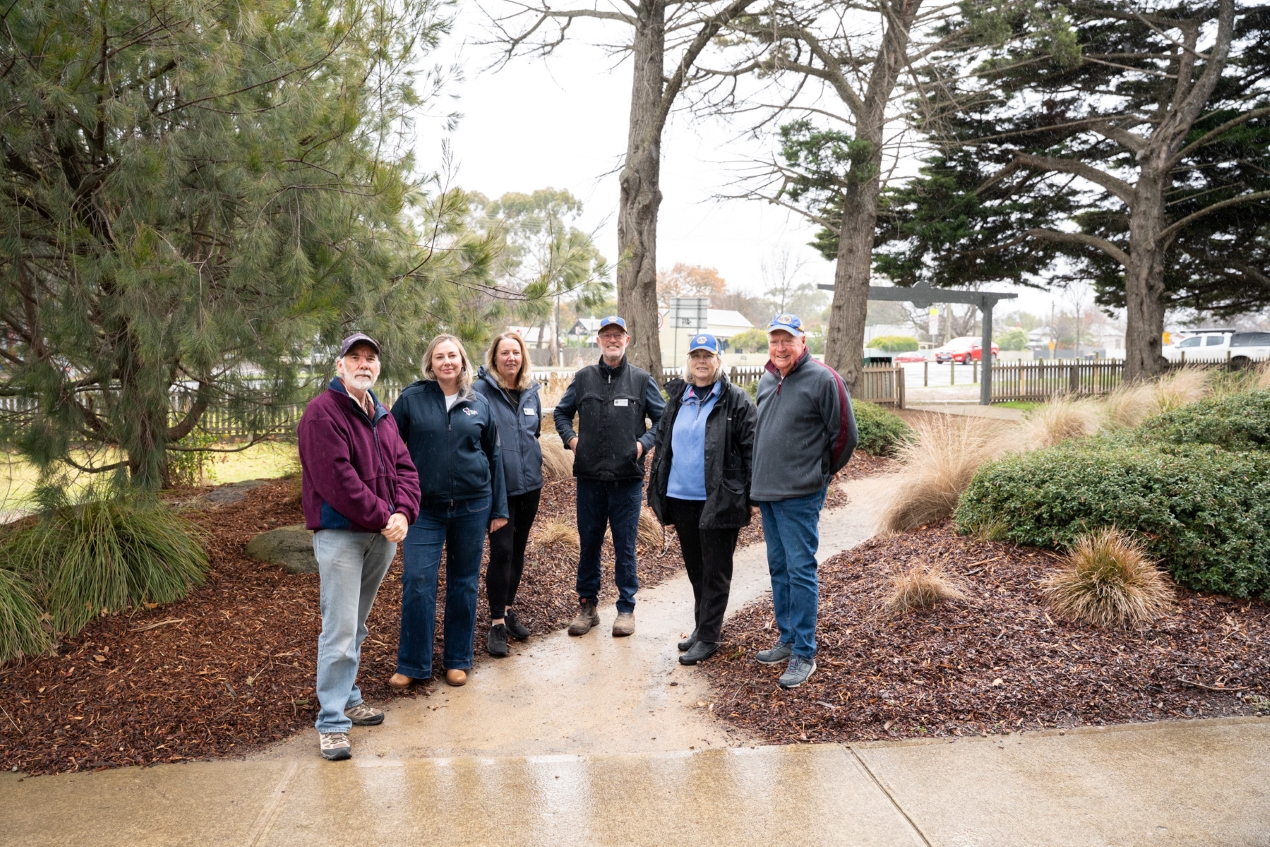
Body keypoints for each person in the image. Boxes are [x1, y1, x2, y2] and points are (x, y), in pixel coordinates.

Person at [297, 332, 420, 761]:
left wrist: (404, 512)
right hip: (341, 536)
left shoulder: (381, 414)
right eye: (355, 358)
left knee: (357, 623)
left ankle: (348, 695)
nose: (363, 364)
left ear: (377, 367)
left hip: (381, 535)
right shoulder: (321, 414)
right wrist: (385, 515)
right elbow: (338, 482)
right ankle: (331, 722)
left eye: (370, 359)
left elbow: (405, 467)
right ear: (339, 365)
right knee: (340, 628)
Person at [388, 334, 508, 690]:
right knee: (417, 582)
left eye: (452, 355)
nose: (446, 362)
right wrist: (396, 502)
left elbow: (494, 457)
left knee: (463, 583)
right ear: (430, 363)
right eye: (439, 356)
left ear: (462, 361)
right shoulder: (412, 400)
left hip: (473, 506)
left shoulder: (479, 402)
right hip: (423, 508)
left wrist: (498, 508)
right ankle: (412, 664)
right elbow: (391, 451)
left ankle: (457, 660)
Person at [750, 313, 857, 689]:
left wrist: (821, 473)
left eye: (787, 340)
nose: (780, 348)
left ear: (802, 341)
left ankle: (804, 653)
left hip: (800, 495)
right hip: (768, 493)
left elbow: (845, 435)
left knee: (800, 570)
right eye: (774, 341)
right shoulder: (766, 379)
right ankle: (788, 637)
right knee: (779, 568)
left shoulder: (824, 379)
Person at [553, 315, 665, 637]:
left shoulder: (642, 380)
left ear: (626, 340)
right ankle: (587, 608)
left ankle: (626, 609)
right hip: (590, 480)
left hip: (626, 482)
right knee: (588, 545)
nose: (612, 340)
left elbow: (662, 420)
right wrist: (571, 440)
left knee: (625, 546)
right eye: (606, 335)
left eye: (618, 335)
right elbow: (562, 413)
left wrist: (643, 445)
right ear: (599, 341)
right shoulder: (584, 378)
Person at [648, 333, 756, 665]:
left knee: (716, 570)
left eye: (708, 356)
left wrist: (751, 495)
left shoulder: (735, 400)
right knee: (696, 568)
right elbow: (664, 443)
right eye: (696, 355)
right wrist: (656, 489)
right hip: (681, 497)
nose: (701, 361)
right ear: (689, 361)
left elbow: (752, 449)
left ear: (719, 361)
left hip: (720, 498)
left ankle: (710, 637)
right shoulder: (679, 398)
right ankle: (701, 626)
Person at [474, 332, 543, 657]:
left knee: (517, 551)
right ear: (495, 357)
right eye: (505, 353)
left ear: (522, 357)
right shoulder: (480, 392)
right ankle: (497, 623)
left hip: (530, 486)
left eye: (516, 352)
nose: (511, 358)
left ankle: (509, 607)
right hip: (497, 489)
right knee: (501, 552)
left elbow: (534, 432)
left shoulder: (531, 391)